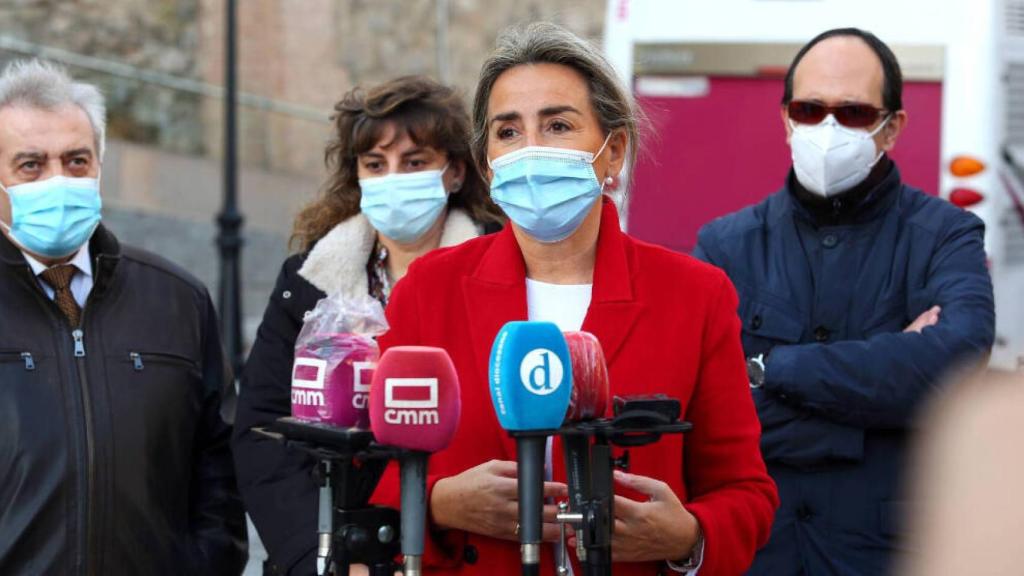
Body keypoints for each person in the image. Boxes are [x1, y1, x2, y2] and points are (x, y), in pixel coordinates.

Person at [369, 23, 778, 575]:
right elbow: (372, 468)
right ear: (487, 164)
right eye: (508, 132)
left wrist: (687, 536)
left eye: (558, 125)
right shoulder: (428, 289)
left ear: (614, 153)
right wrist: (439, 502)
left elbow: (745, 491)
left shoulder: (695, 296)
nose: (531, 149)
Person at [693, 28, 995, 575]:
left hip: (887, 555)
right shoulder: (725, 244)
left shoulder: (946, 236)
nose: (827, 128)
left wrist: (768, 369)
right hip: (761, 553)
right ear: (786, 117)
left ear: (892, 127)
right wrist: (878, 395)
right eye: (809, 109)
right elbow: (705, 409)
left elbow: (952, 371)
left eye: (853, 113)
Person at [232, 75, 505, 575]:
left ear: (456, 173)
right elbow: (263, 433)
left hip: (461, 553)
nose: (393, 178)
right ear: (355, 175)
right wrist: (325, 561)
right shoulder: (307, 282)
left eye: (415, 162)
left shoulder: (502, 274)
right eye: (375, 165)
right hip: (332, 549)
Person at [0, 60, 246, 574]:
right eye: (30, 165)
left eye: (76, 161)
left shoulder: (178, 299)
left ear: (98, 167)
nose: (58, 180)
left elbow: (218, 468)